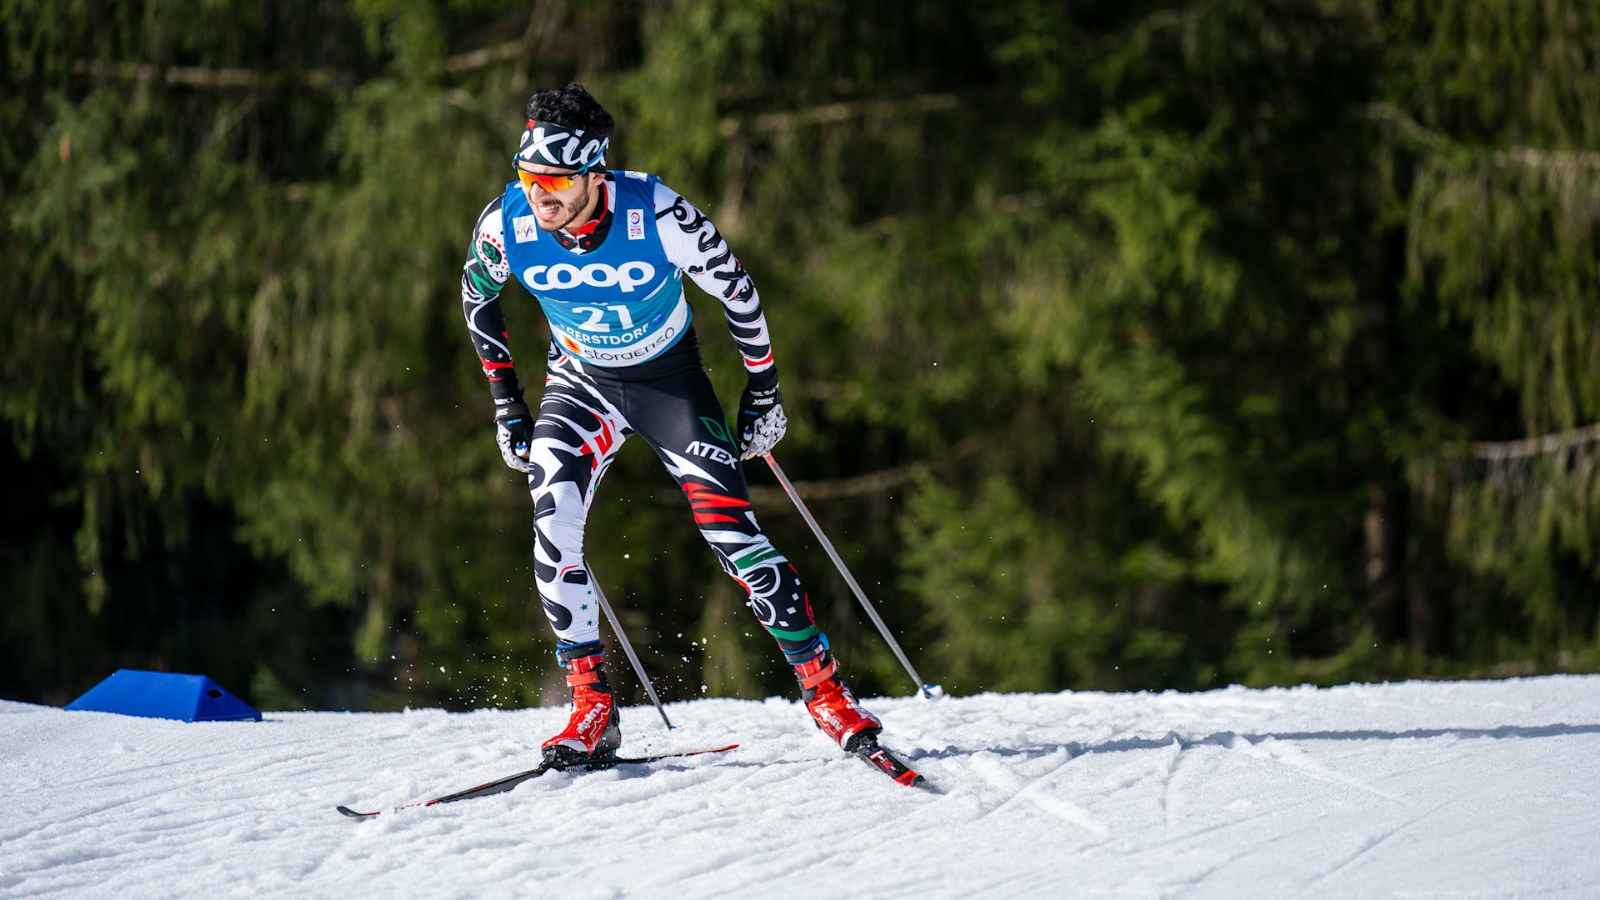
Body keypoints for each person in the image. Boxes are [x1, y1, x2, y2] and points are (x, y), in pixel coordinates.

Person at [461, 83, 882, 766]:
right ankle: (592, 707)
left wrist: (763, 394)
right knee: (552, 522)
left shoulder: (655, 212)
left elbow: (737, 291)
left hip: (668, 383)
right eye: (530, 177)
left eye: (558, 181)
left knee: (731, 534)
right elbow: (477, 297)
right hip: (580, 384)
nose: (541, 195)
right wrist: (509, 405)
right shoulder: (504, 224)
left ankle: (827, 695)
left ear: (596, 173)